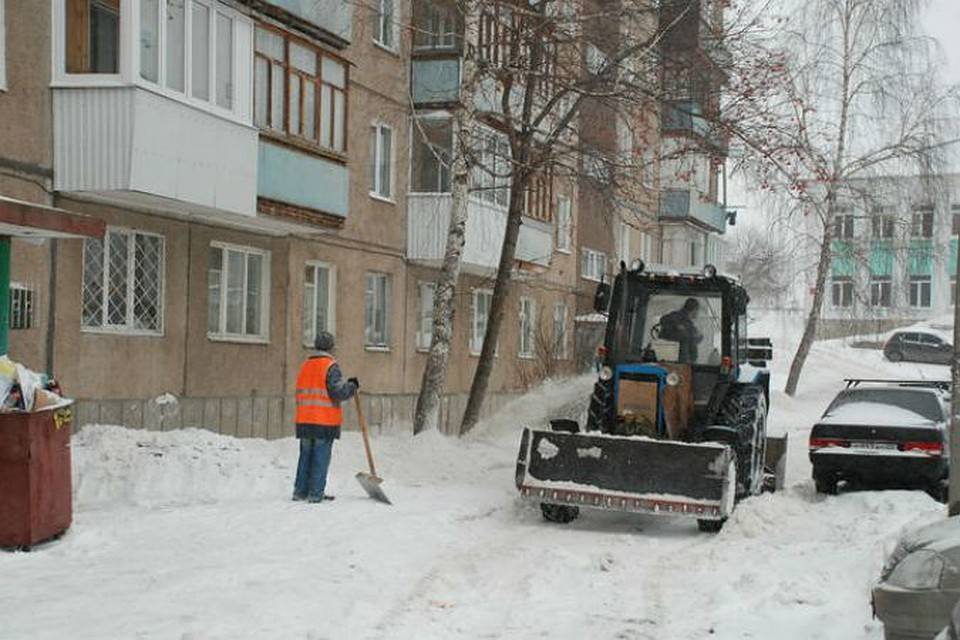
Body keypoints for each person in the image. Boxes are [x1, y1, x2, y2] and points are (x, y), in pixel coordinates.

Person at [293, 331, 359, 503]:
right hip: (323, 420)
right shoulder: (330, 366)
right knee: (320, 458)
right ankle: (315, 493)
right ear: (331, 347)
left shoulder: (306, 365)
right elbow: (337, 392)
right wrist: (351, 387)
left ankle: (300, 491)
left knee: (305, 457)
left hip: (304, 419)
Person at [658, 298, 704, 363]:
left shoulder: (676, 318)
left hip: (666, 358)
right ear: (694, 310)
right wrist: (699, 336)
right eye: (698, 310)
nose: (698, 313)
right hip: (681, 361)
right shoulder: (684, 323)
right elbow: (690, 340)